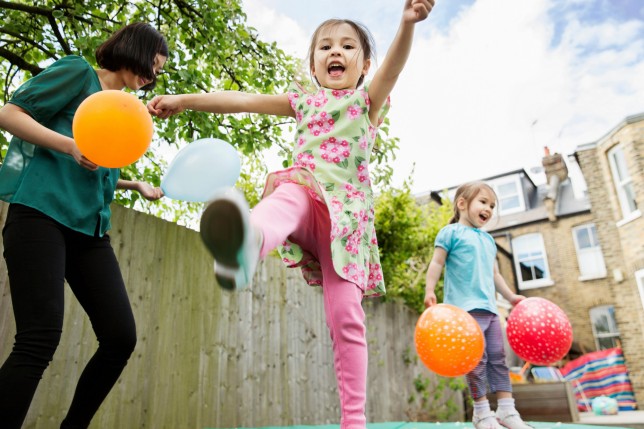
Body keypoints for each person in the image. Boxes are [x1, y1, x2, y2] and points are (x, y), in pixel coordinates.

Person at [147, 1, 433, 427]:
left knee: (347, 320)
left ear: (364, 63)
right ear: (314, 65)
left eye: (348, 46)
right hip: (307, 194)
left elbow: (393, 68)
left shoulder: (365, 102)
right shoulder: (302, 102)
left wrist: (406, 24)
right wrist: (186, 99)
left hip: (347, 225)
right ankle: (245, 245)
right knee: (285, 200)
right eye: (325, 47)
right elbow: (242, 100)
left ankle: (354, 421)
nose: (335, 52)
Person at [0, 22, 168, 429]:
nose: (153, 76)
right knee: (39, 339)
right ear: (135, 48)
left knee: (120, 337)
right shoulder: (79, 73)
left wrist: (132, 182)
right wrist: (69, 144)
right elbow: (9, 113)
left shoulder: (120, 109)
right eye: (153, 64)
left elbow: (94, 165)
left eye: (158, 74)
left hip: (90, 232)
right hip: (40, 215)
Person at [423, 181, 533, 429]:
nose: (489, 209)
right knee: (476, 362)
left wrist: (511, 297)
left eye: (492, 205)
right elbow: (437, 264)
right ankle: (482, 411)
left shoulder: (488, 240)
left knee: (498, 358)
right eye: (483, 202)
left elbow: (495, 275)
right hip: (463, 313)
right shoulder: (449, 233)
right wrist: (430, 290)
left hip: (491, 310)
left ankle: (506, 410)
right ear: (462, 204)